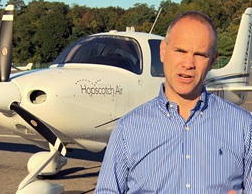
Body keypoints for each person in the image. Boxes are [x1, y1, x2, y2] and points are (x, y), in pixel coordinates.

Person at [94, 10, 252, 193]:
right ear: (163, 51)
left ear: (212, 61)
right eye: (180, 51)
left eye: (200, 55)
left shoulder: (244, 127)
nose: (188, 63)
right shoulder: (127, 130)